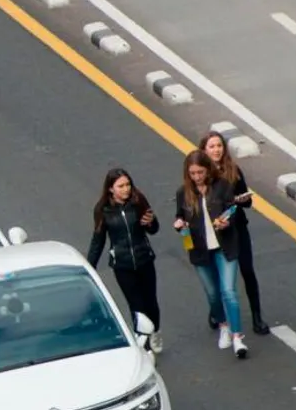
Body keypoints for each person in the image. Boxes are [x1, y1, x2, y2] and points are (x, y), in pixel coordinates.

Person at [172, 150, 248, 358]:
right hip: (199, 250)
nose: (197, 177)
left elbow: (232, 209)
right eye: (193, 173)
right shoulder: (183, 193)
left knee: (228, 291)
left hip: (225, 246)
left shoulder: (222, 186)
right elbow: (180, 215)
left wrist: (226, 222)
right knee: (213, 294)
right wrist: (179, 224)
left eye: (200, 172)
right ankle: (223, 324)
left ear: (208, 170)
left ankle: (237, 337)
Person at [87, 168, 163, 352]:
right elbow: (98, 240)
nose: (126, 189)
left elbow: (154, 228)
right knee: (136, 306)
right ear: (111, 189)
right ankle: (144, 344)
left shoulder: (138, 201)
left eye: (128, 184)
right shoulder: (102, 209)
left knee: (150, 302)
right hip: (122, 264)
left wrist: (150, 222)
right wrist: (89, 267)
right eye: (120, 186)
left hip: (144, 259)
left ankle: (155, 332)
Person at [201, 130, 268, 336]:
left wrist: (241, 199)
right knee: (218, 277)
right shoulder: (201, 175)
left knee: (247, 271)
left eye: (219, 145)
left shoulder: (233, 171)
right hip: (215, 232)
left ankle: (257, 316)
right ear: (204, 150)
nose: (216, 150)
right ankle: (217, 312)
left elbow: (248, 201)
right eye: (212, 146)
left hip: (238, 228)